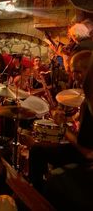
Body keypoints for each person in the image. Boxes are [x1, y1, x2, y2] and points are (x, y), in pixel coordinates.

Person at [29, 50, 93, 209]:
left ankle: (38, 200)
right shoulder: (88, 100)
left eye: (78, 72)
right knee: (41, 149)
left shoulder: (89, 103)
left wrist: (63, 127)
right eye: (72, 72)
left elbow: (87, 151)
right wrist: (69, 120)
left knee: (38, 151)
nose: (74, 77)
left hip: (88, 158)